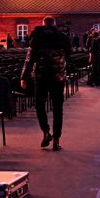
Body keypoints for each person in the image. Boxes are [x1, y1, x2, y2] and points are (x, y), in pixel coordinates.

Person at [21, 16, 72, 151]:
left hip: (41, 76)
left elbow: (29, 59)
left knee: (39, 105)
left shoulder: (37, 36)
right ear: (54, 24)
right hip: (57, 77)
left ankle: (45, 132)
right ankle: (56, 140)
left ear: (43, 24)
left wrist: (24, 77)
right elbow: (69, 54)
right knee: (57, 109)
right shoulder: (62, 36)